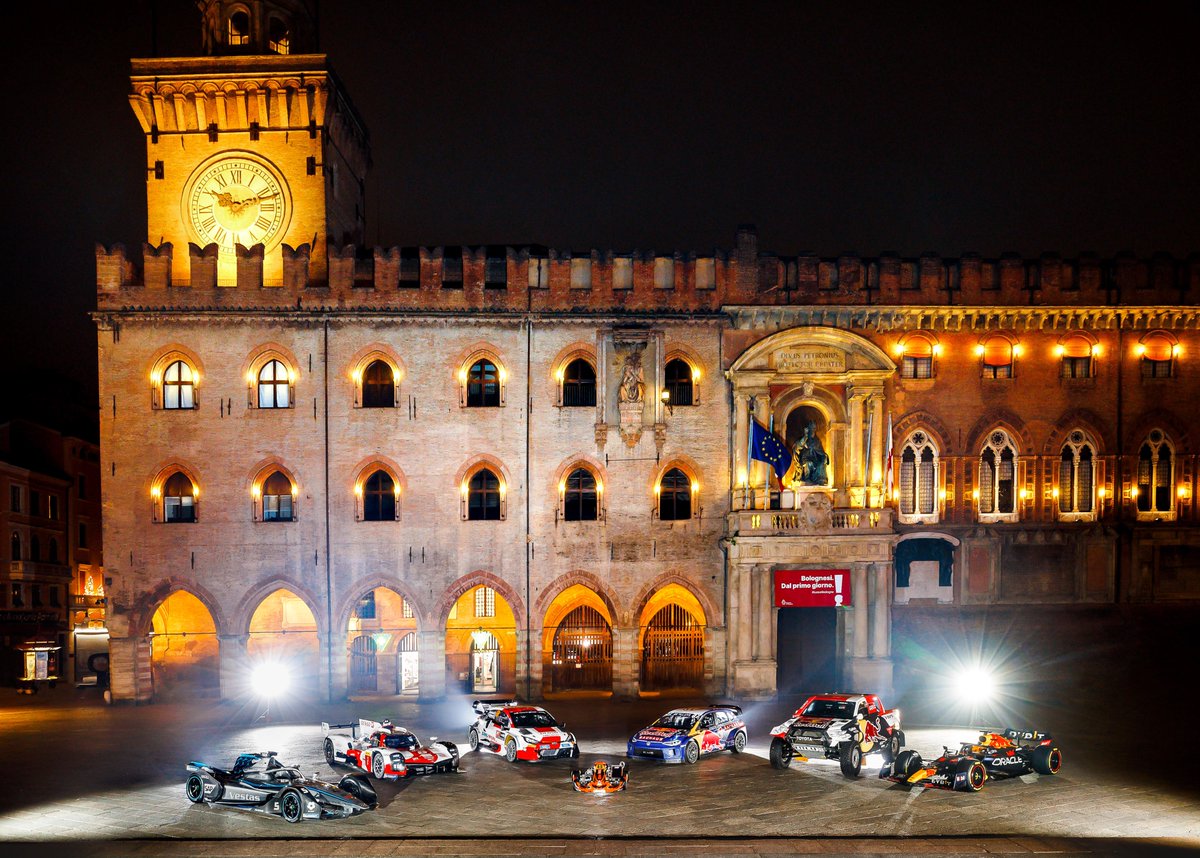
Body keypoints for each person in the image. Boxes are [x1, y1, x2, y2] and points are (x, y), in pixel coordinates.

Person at [793, 420, 829, 485]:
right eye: (811, 429)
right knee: (809, 463)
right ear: (808, 430)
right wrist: (805, 436)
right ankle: (807, 479)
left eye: (814, 429)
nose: (813, 431)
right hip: (805, 459)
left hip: (815, 459)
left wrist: (824, 456)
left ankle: (821, 480)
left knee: (821, 464)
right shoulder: (803, 439)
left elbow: (820, 451)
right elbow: (798, 446)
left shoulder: (817, 441)